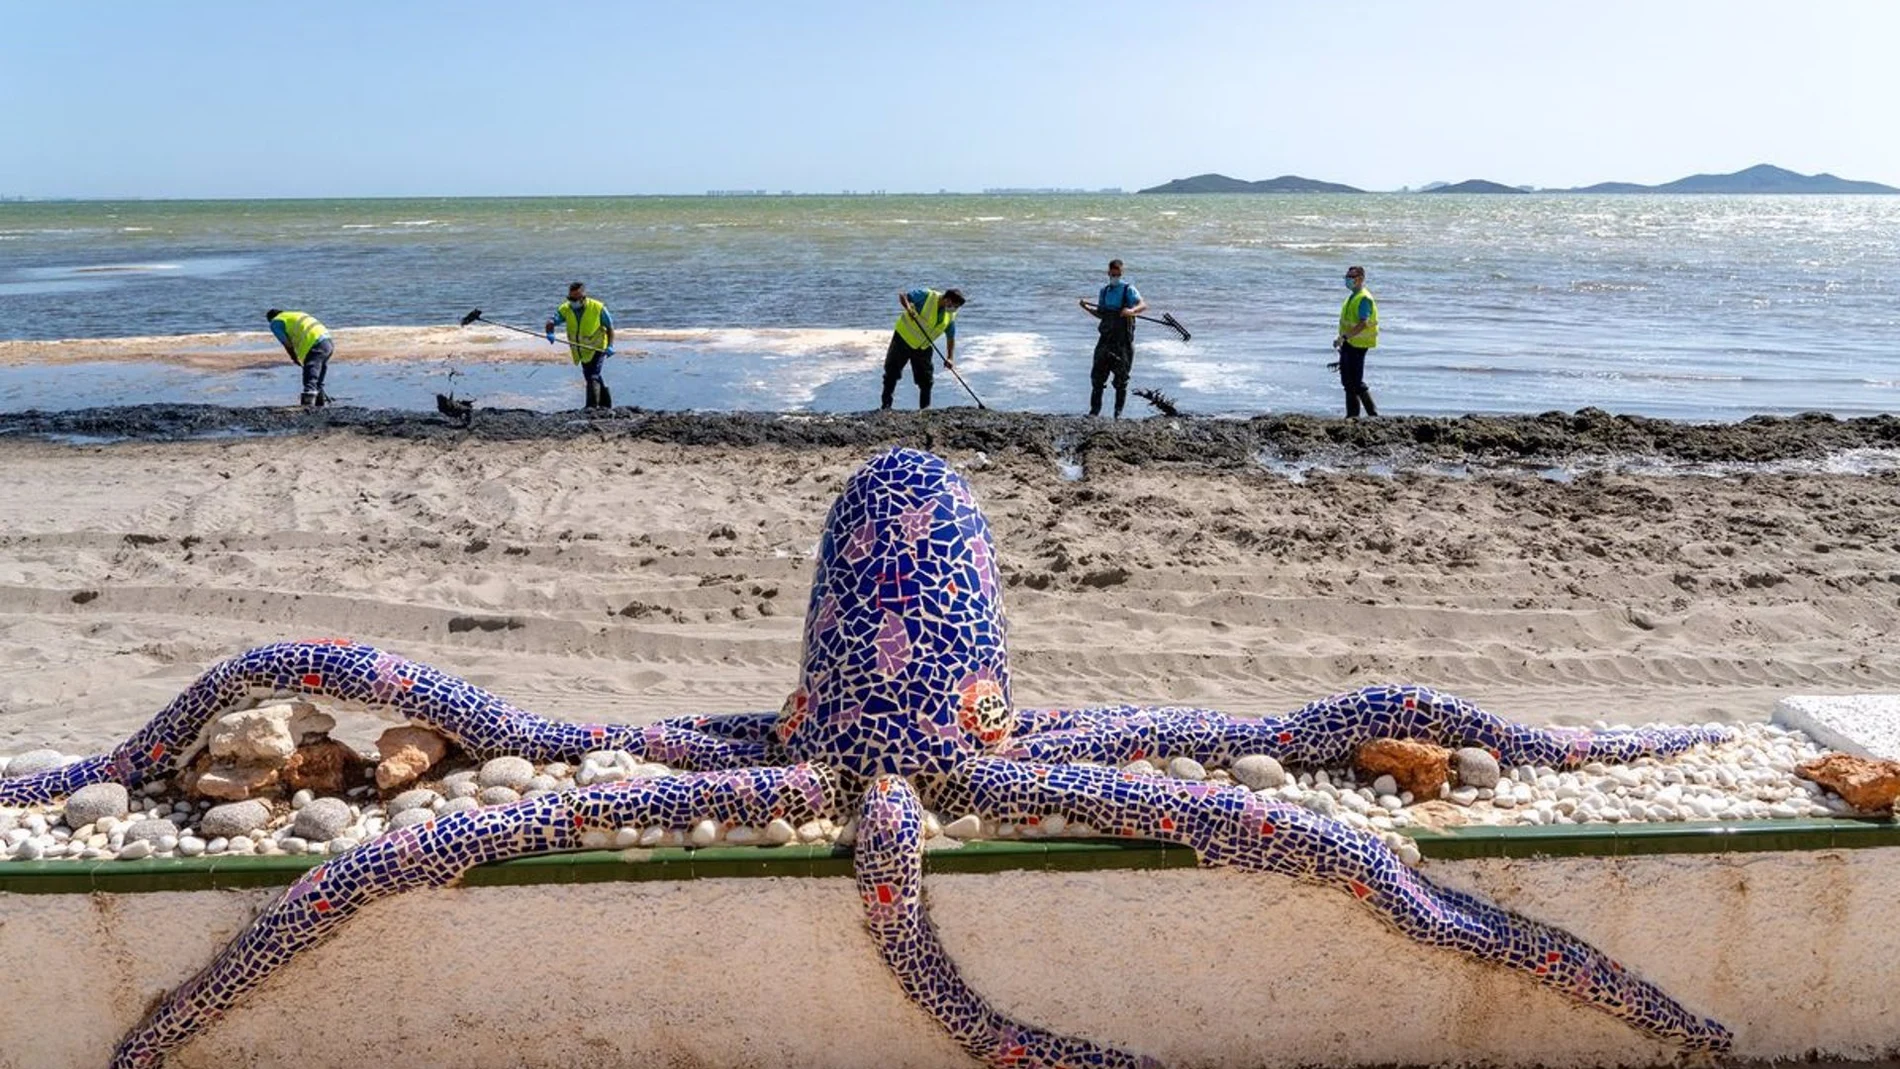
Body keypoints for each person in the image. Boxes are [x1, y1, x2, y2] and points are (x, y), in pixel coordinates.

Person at [1079, 258, 1147, 418]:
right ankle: (1094, 412)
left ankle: (1118, 413)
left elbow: (1143, 305)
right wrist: (1087, 308)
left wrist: (1131, 312)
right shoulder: (1104, 291)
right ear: (1108, 273)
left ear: (1122, 273)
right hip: (1105, 340)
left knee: (1121, 380)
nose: (1114, 277)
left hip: (1123, 342)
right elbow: (1101, 314)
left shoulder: (1128, 289)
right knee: (1097, 377)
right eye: (1112, 274)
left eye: (1118, 274)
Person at [881, 286, 965, 411]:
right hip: (903, 339)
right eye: (955, 306)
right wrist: (909, 309)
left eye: (957, 307)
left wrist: (950, 358)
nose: (955, 309)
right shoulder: (927, 295)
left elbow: (950, 337)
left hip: (923, 346)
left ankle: (925, 408)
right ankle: (886, 406)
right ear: (948, 300)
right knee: (892, 373)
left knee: (926, 380)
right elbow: (903, 295)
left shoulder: (949, 315)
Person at [544, 281, 616, 410]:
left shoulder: (598, 308)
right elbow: (552, 320)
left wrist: (610, 346)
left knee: (593, 375)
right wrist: (550, 331)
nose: (572, 301)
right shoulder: (566, 308)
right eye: (570, 298)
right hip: (581, 349)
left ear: (583, 297)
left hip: (597, 347)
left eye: (575, 299)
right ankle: (606, 404)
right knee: (591, 374)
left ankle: (591, 406)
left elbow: (610, 328)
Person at [1332, 265, 1379, 418]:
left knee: (1355, 383)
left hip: (1358, 344)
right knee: (1348, 382)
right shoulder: (1352, 296)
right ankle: (1352, 416)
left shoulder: (1364, 298)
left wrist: (1345, 337)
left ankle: (1371, 414)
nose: (1348, 280)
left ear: (1360, 279)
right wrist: (1341, 338)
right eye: (1347, 277)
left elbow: (1363, 323)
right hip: (1348, 343)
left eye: (1351, 277)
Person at [266, 309, 334, 407]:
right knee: (320, 371)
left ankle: (308, 403)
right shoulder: (297, 314)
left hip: (314, 343)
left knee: (311, 371)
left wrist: (294, 358)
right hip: (328, 342)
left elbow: (287, 343)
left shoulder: (275, 322)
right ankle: (320, 403)